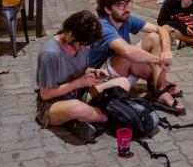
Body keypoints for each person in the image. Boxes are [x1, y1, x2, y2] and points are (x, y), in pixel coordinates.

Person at [35, 10, 131, 141]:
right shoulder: (50, 54)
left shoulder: (82, 45)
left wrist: (93, 72)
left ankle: (83, 119)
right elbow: (45, 94)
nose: (86, 48)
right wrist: (79, 82)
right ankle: (112, 117)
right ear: (70, 35)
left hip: (78, 93)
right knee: (76, 107)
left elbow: (82, 70)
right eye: (83, 44)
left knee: (123, 83)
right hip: (53, 104)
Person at [89, 0, 183, 114]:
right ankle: (158, 85)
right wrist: (157, 60)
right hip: (98, 77)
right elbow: (127, 51)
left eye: (128, 4)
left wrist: (166, 51)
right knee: (130, 54)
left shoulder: (126, 18)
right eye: (121, 5)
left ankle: (159, 88)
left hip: (119, 70)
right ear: (108, 9)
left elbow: (161, 29)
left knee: (155, 38)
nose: (126, 8)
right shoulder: (103, 26)